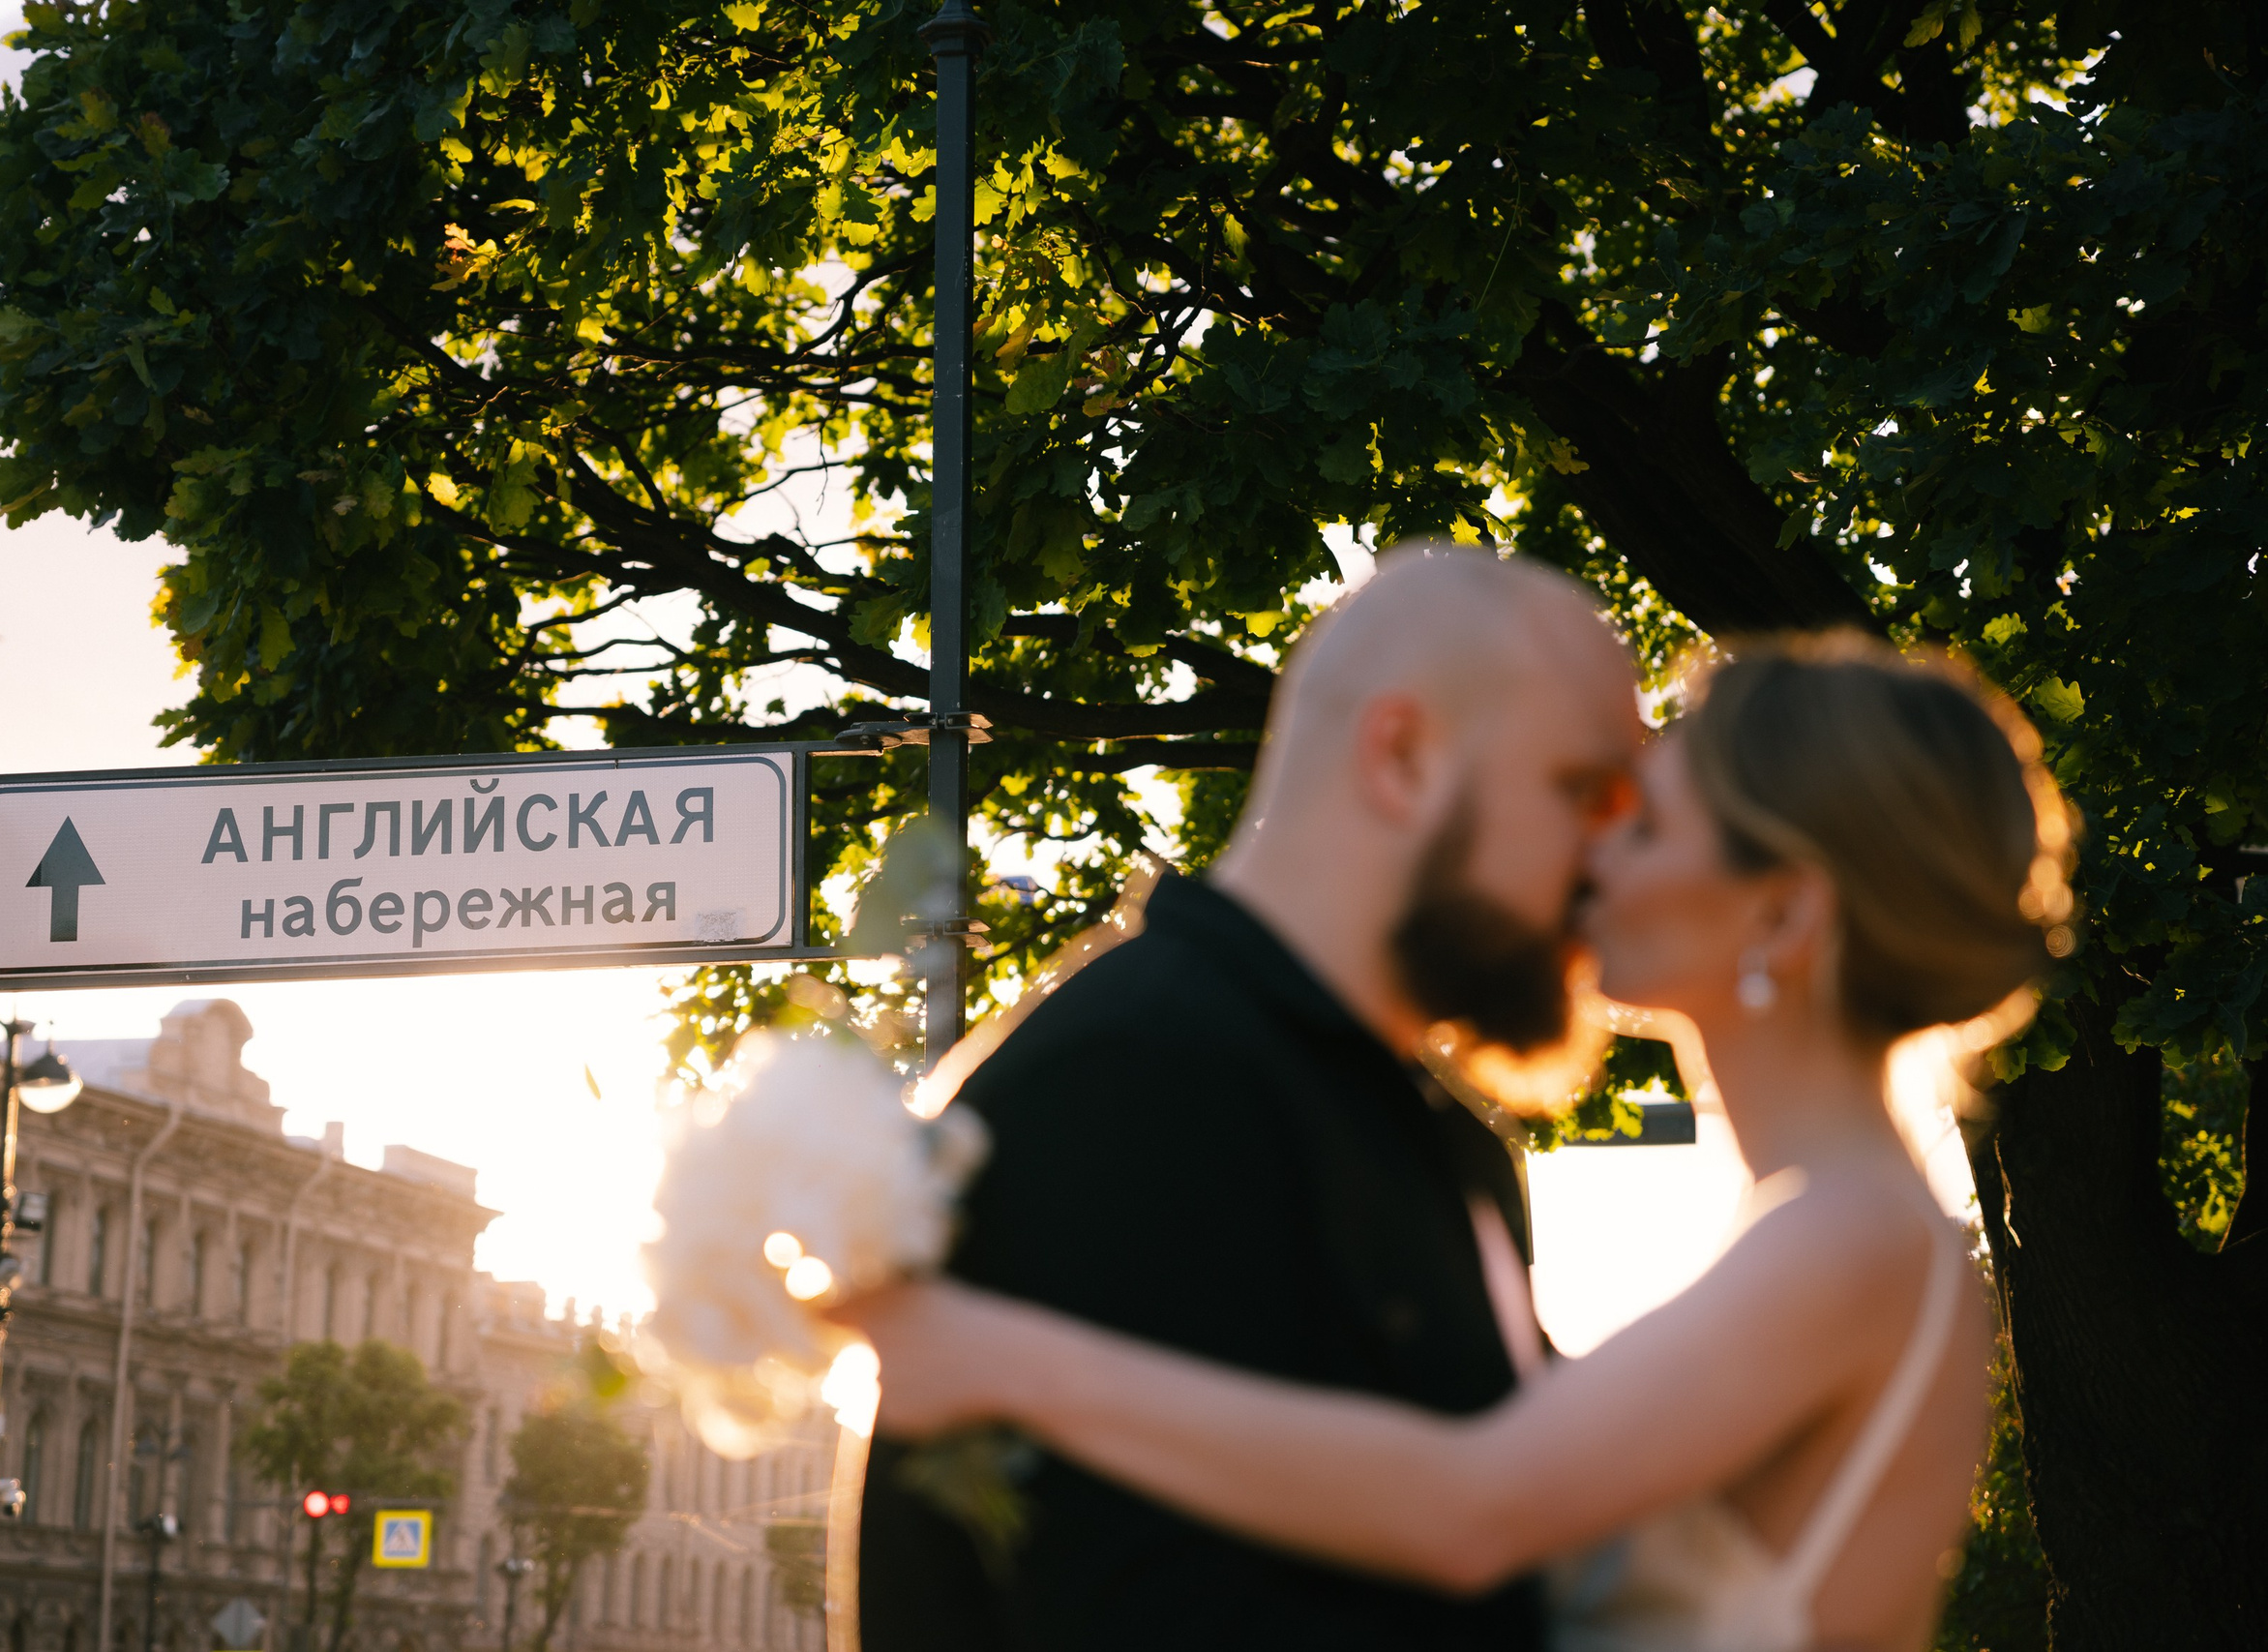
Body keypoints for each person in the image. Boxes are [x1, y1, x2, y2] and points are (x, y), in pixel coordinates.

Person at [849, 633, 2074, 1651]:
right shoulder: (1839, 1221)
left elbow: (1470, 1507)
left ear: (1783, 911)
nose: (1589, 858)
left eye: (1642, 829)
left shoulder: (1849, 1237)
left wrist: (1003, 1359)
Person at [855, 545, 1643, 1652]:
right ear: (1404, 756)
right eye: (1583, 791)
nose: (1612, 861)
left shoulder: (1434, 1132)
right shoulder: (1128, 1085)